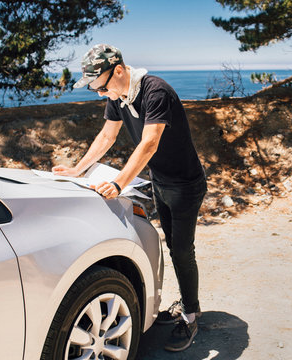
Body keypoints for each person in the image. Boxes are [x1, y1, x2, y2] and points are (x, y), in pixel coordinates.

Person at [52, 44, 206, 352]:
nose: (98, 93)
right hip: (160, 181)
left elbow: (149, 143)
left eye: (100, 85)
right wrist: (78, 170)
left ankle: (190, 315)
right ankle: (187, 303)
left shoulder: (155, 91)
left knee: (181, 250)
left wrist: (119, 183)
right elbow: (107, 136)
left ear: (119, 71)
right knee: (171, 246)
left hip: (186, 185)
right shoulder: (119, 96)